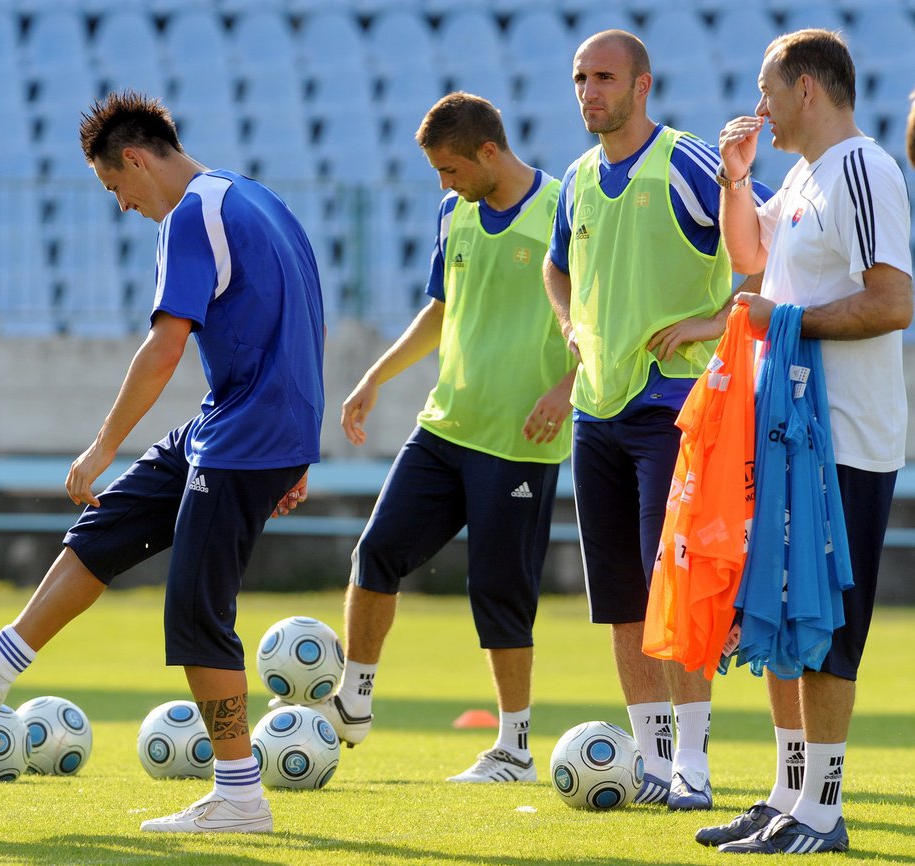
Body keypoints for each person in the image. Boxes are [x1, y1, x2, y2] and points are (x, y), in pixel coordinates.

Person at [0, 91, 325, 835]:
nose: (122, 205)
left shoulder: (192, 214)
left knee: (195, 610)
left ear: (132, 159)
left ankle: (240, 797)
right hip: (240, 424)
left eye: (113, 189)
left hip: (249, 434)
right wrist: (301, 446)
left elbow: (164, 346)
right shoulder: (256, 198)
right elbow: (307, 317)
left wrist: (101, 444)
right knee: (109, 523)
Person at [542, 29, 772, 810]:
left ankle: (695, 769)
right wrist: (570, 323)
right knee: (620, 598)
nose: (588, 91)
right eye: (579, 78)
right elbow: (555, 264)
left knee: (678, 589)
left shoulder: (684, 161)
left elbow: (765, 245)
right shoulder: (574, 178)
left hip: (672, 408)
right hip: (595, 410)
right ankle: (650, 762)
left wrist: (710, 325)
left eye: (603, 76)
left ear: (643, 85)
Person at [315, 91, 575, 783]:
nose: (444, 184)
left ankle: (514, 749)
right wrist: (376, 374)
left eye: (452, 169)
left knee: (498, 590)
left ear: (490, 152)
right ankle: (354, 702)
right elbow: (440, 308)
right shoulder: (452, 211)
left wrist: (568, 389)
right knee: (376, 553)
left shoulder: (562, 213)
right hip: (445, 426)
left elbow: (601, 317)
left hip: (520, 438)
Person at [699, 29, 912, 854]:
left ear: (809, 89)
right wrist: (736, 181)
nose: (760, 105)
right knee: (783, 622)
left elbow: (893, 302)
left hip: (845, 440)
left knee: (827, 632)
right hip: (791, 436)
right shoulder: (801, 175)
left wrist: (783, 321)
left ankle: (823, 809)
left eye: (769, 89)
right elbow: (751, 256)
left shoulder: (861, 168)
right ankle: (789, 796)